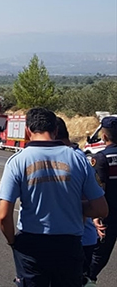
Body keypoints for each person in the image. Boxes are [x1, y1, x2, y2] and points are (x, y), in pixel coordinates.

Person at [0, 108, 107, 287]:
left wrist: (12, 241)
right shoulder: (78, 159)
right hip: (68, 244)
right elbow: (101, 208)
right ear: (55, 130)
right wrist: (72, 206)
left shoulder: (17, 161)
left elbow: (3, 216)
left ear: (27, 131)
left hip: (31, 244)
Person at [53, 117, 98, 287]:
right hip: (79, 237)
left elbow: (87, 201)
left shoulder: (76, 159)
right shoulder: (75, 157)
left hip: (78, 238)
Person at [87, 116, 117, 285]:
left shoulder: (100, 158)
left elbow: (99, 190)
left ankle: (88, 280)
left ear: (104, 136)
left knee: (98, 254)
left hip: (107, 215)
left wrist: (95, 217)